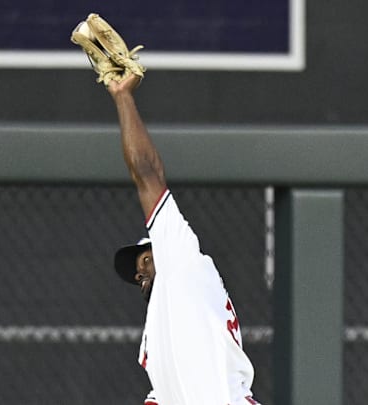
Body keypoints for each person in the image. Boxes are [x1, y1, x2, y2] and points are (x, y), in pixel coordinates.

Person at [107, 74, 261, 405]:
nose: (140, 273)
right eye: (137, 271)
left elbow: (146, 173)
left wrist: (123, 97)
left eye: (145, 259)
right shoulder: (154, 339)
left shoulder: (180, 260)